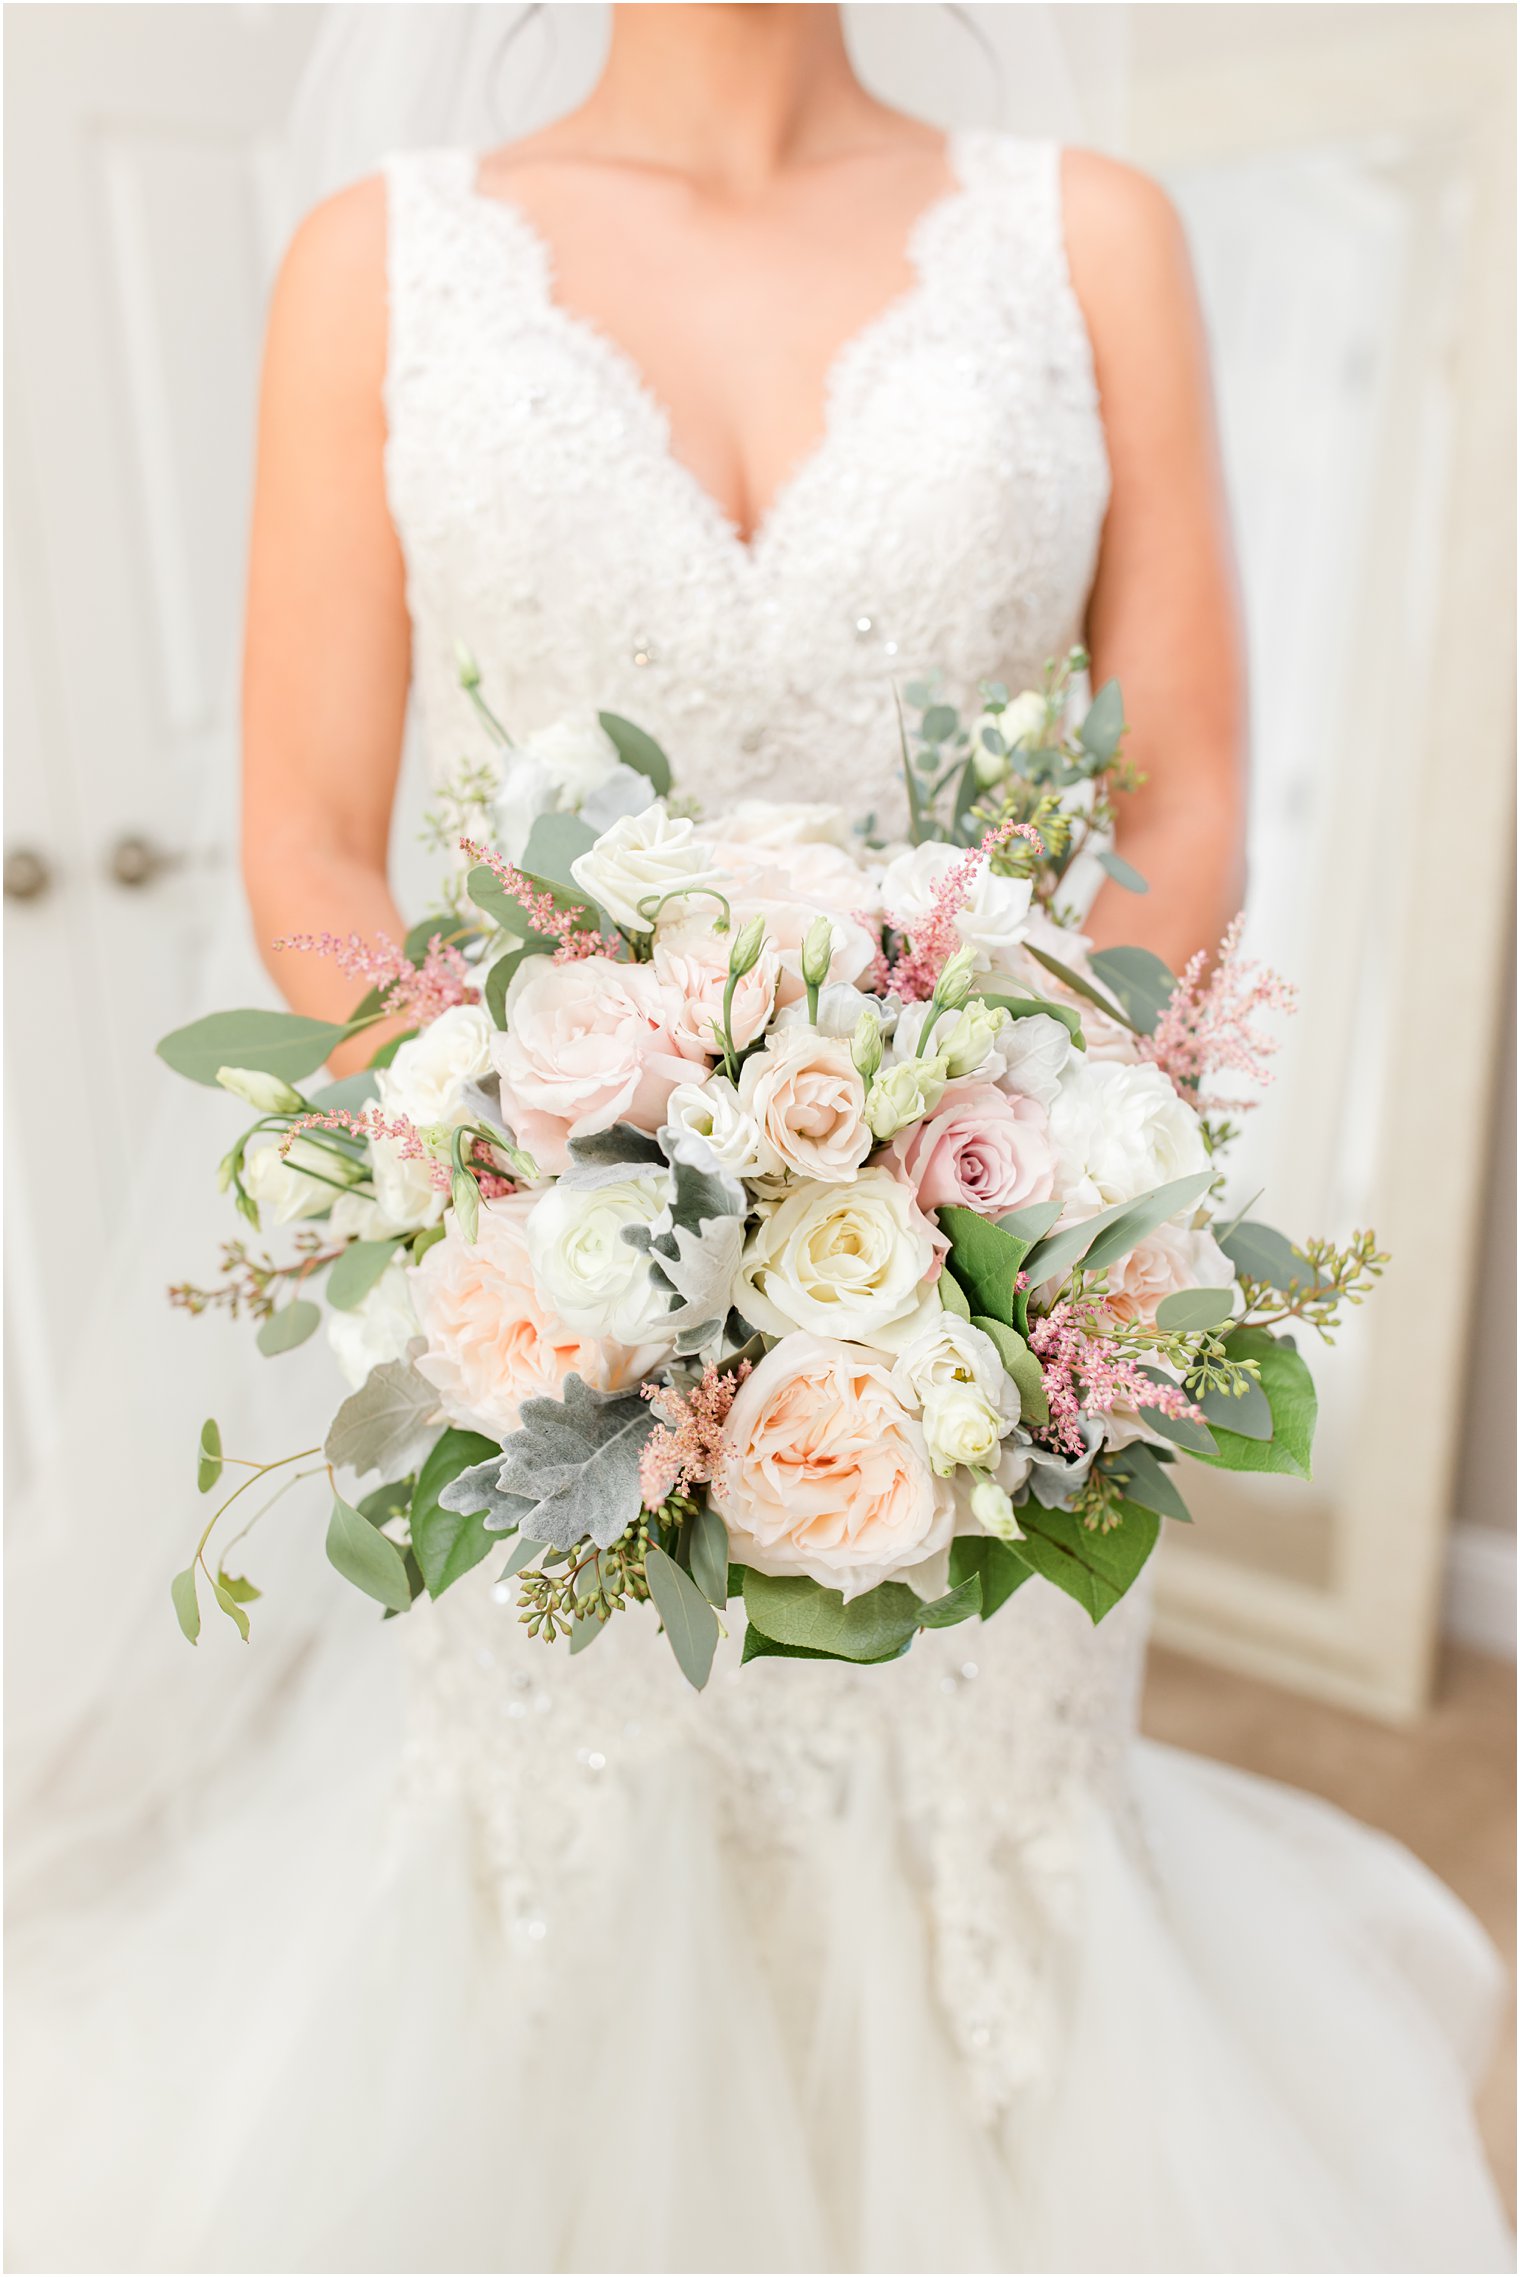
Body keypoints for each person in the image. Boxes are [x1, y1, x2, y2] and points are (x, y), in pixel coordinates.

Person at [11, 8, 1508, 2270]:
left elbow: (1182, 795)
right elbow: (313, 843)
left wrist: (938, 1188)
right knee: (563, 1872)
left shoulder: (1087, 236)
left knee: (985, 1872)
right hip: (545, 1292)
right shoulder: (377, 258)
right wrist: (547, 1192)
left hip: (982, 1295)